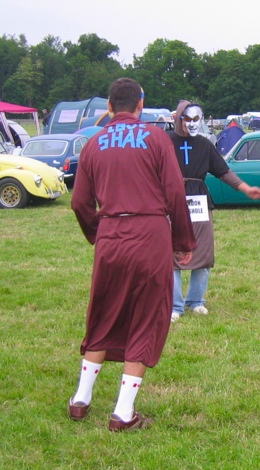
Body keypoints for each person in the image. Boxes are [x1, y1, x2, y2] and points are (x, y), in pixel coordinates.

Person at [69, 78, 196, 431]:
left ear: (109, 107)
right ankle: (123, 413)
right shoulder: (156, 138)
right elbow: (174, 193)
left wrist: (101, 235)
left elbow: (79, 202)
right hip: (150, 234)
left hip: (110, 235)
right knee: (146, 317)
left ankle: (81, 400)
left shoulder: (92, 144)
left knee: (103, 314)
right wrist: (183, 241)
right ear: (141, 105)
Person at [169, 100, 260, 322]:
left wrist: (245, 189)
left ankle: (196, 301)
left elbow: (223, 171)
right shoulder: (164, 141)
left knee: (203, 250)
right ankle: (174, 305)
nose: (192, 124)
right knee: (171, 252)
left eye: (196, 119)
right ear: (179, 119)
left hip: (199, 201)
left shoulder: (204, 144)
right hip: (172, 200)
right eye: (188, 119)